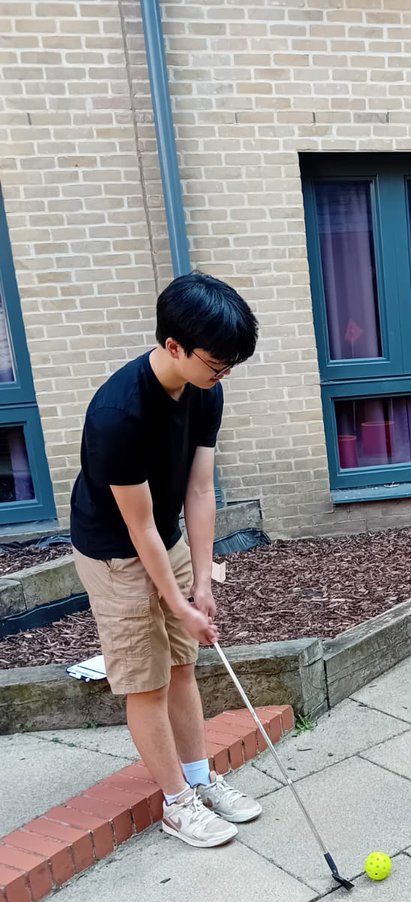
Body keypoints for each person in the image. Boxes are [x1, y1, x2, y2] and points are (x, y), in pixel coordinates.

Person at [69, 272, 262, 849]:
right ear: (174, 345)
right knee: (146, 681)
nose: (222, 375)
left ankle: (199, 779)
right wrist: (175, 602)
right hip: (113, 552)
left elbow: (200, 490)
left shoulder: (206, 389)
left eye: (230, 366)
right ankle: (176, 803)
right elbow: (138, 525)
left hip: (166, 538)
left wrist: (201, 584)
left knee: (182, 664)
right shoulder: (117, 416)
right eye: (216, 363)